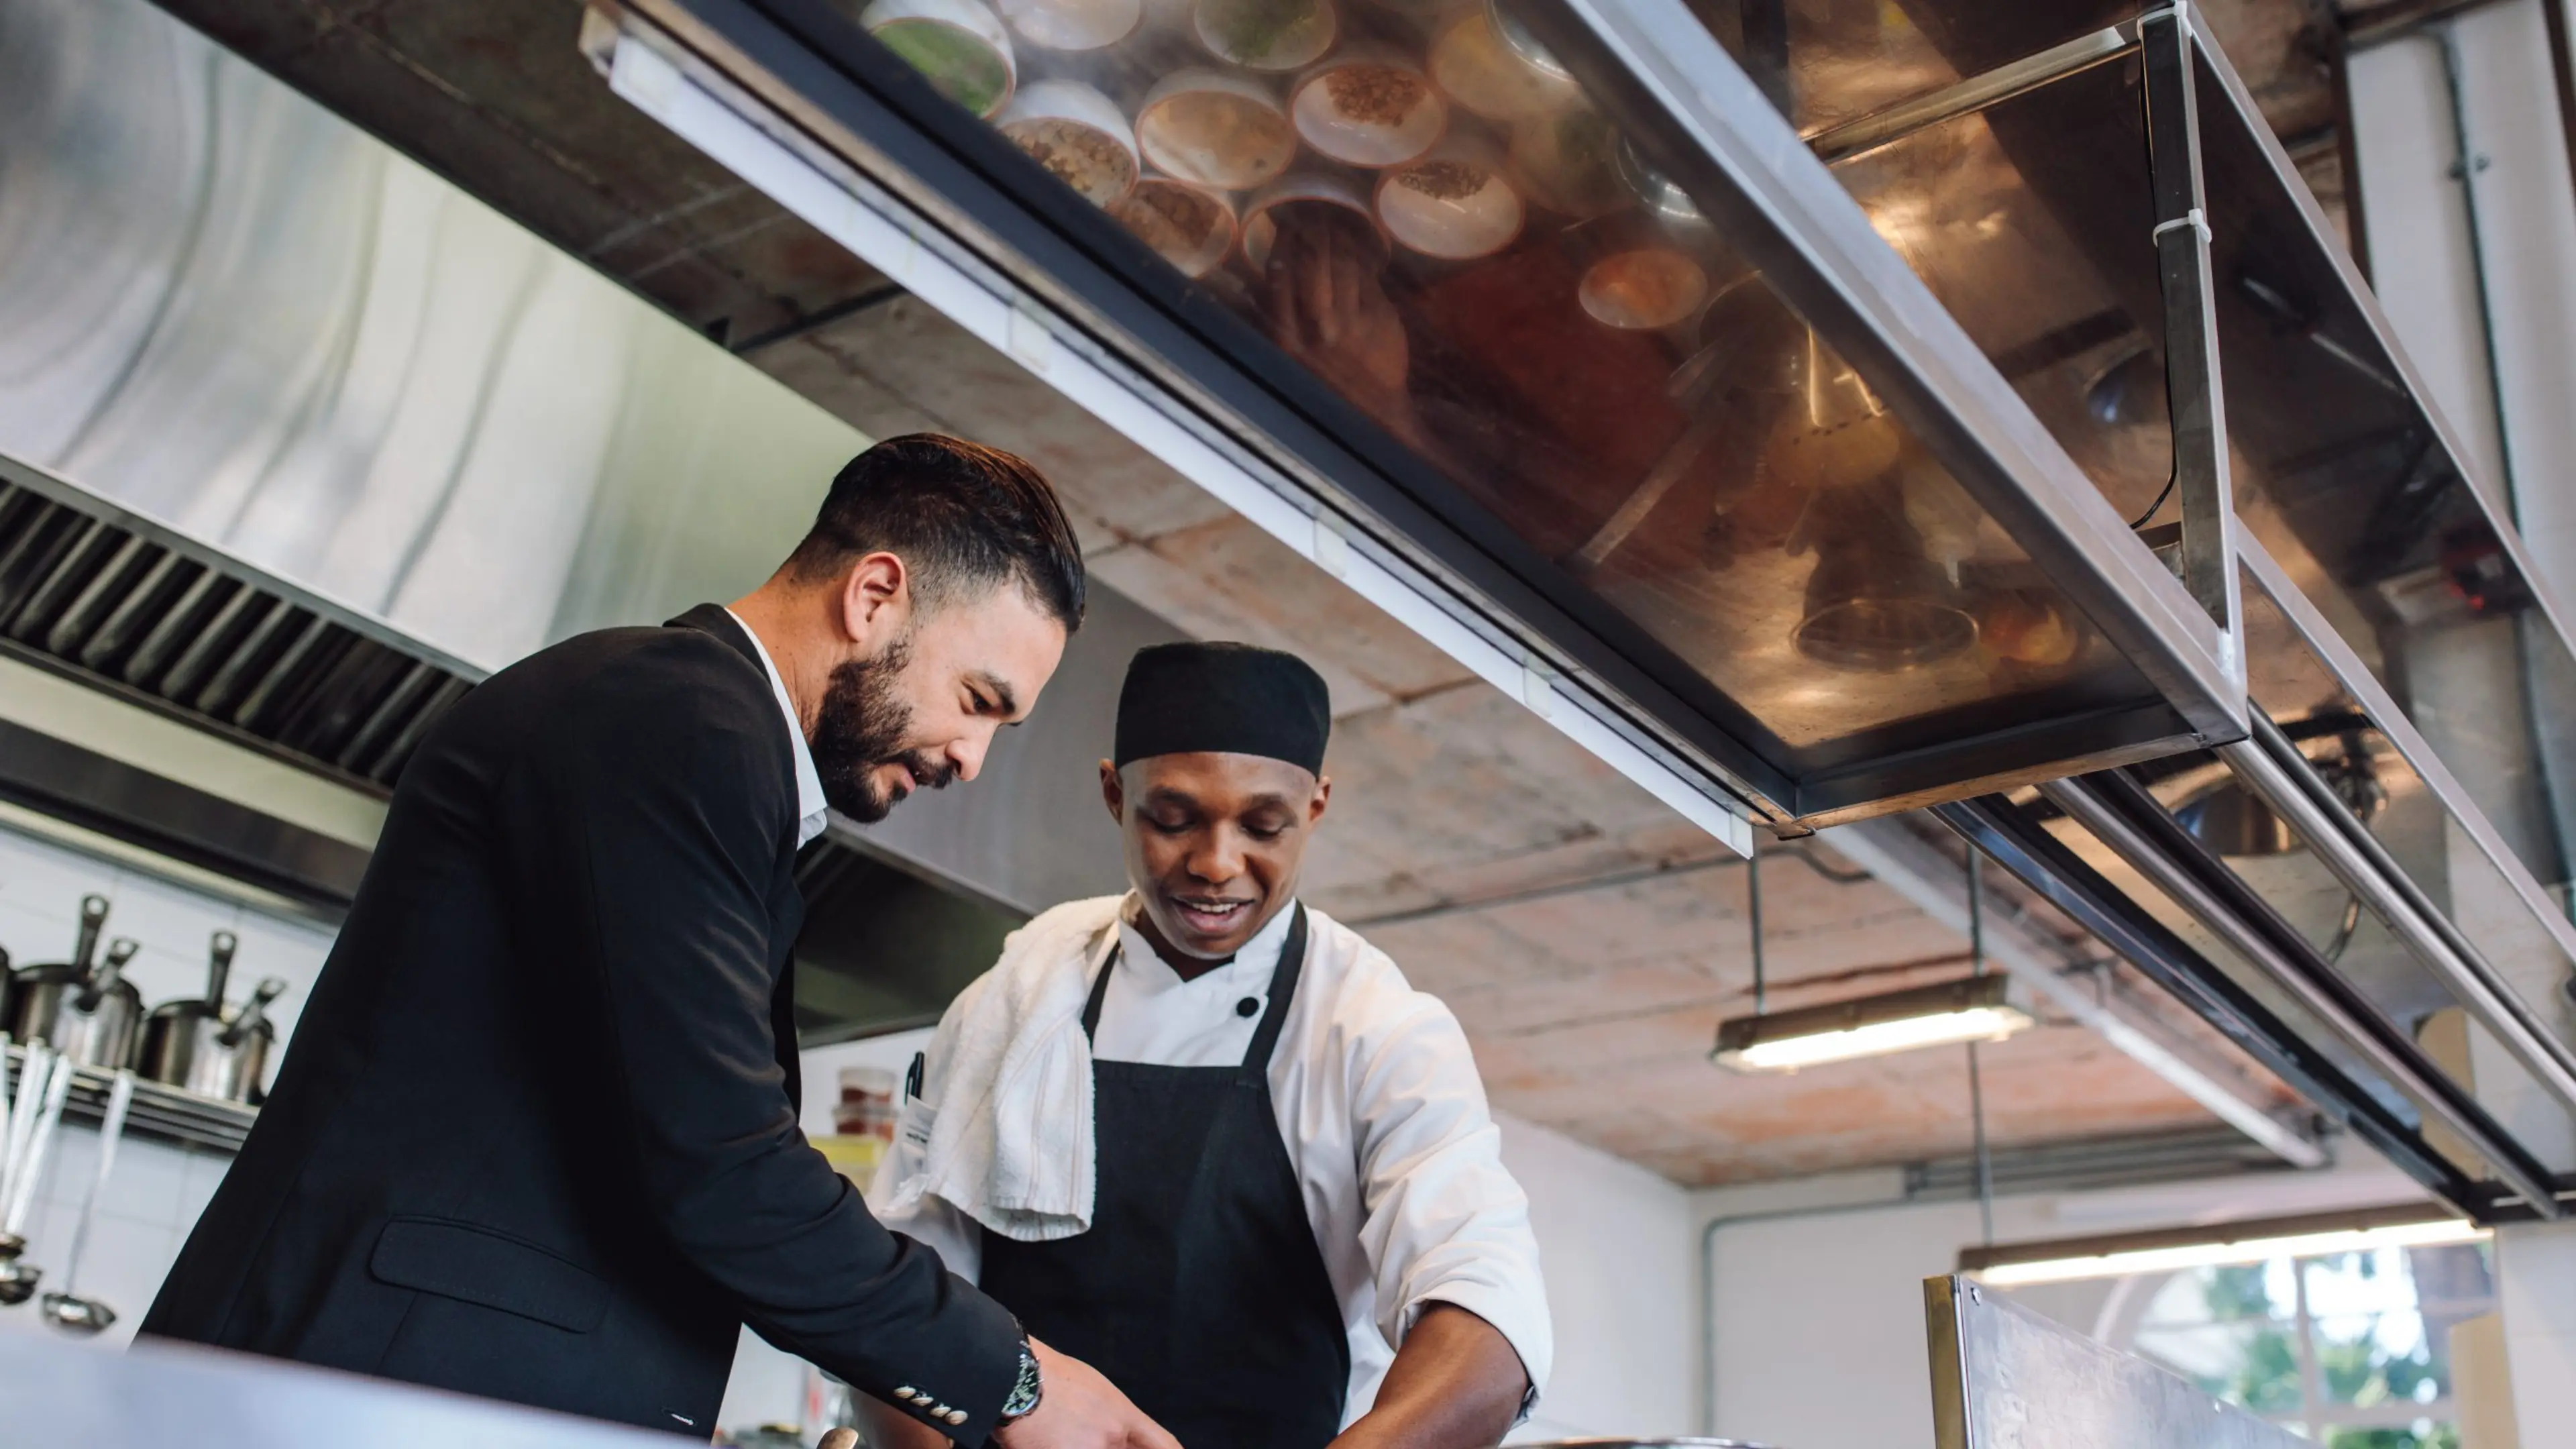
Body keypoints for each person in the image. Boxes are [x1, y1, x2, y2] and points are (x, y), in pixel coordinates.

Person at [142, 435, 1178, 1449]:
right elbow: (721, 1167)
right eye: (978, 701)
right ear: (874, 597)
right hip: (369, 1397)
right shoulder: (675, 719)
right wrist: (1015, 1379)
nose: (972, 758)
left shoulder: (709, 746)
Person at [864, 641, 1550, 1449]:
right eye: (1174, 819)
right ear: (1115, 795)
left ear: (1316, 808)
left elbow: (1487, 1313)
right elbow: (900, 1293)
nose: (1217, 865)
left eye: (1264, 826)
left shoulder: (1376, 1030)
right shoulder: (1012, 1000)